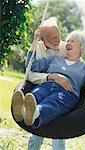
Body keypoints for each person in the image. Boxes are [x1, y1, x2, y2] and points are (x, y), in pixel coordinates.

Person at [12, 30, 85, 131]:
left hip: (67, 93)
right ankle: (21, 110)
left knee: (53, 102)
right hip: (47, 85)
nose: (67, 43)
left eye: (72, 41)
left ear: (81, 47)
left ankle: (35, 113)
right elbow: (32, 65)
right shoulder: (54, 59)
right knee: (35, 94)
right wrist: (34, 41)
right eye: (67, 40)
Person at [13, 17, 68, 150]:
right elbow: (30, 73)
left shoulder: (66, 48)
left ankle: (26, 111)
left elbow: (79, 67)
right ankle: (23, 110)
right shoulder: (37, 48)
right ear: (43, 40)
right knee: (36, 134)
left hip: (61, 93)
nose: (57, 40)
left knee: (58, 134)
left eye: (58, 35)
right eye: (53, 37)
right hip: (42, 91)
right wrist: (50, 77)